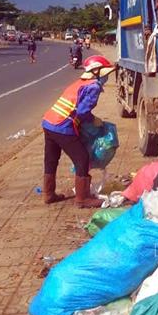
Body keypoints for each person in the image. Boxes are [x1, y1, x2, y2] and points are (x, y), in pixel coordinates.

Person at [41, 55, 116, 207]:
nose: (107, 77)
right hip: (63, 126)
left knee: (51, 159)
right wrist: (94, 120)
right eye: (106, 73)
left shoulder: (79, 82)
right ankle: (82, 198)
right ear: (96, 71)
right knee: (82, 158)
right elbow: (82, 112)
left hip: (48, 122)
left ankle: (48, 194)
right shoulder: (93, 86)